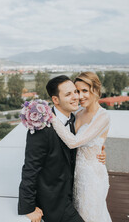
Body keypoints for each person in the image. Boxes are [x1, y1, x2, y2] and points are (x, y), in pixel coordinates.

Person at [18, 75, 106, 222]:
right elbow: (30, 169)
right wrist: (29, 208)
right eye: (68, 94)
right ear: (55, 100)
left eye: (75, 92)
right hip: (54, 202)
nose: (76, 97)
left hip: (76, 194)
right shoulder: (42, 128)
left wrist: (100, 151)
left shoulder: (75, 118)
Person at [52, 72, 112, 222]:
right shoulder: (77, 112)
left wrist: (49, 116)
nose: (79, 96)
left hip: (92, 178)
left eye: (85, 90)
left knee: (90, 217)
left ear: (96, 90)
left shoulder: (103, 116)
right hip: (75, 174)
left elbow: (73, 142)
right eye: (77, 91)